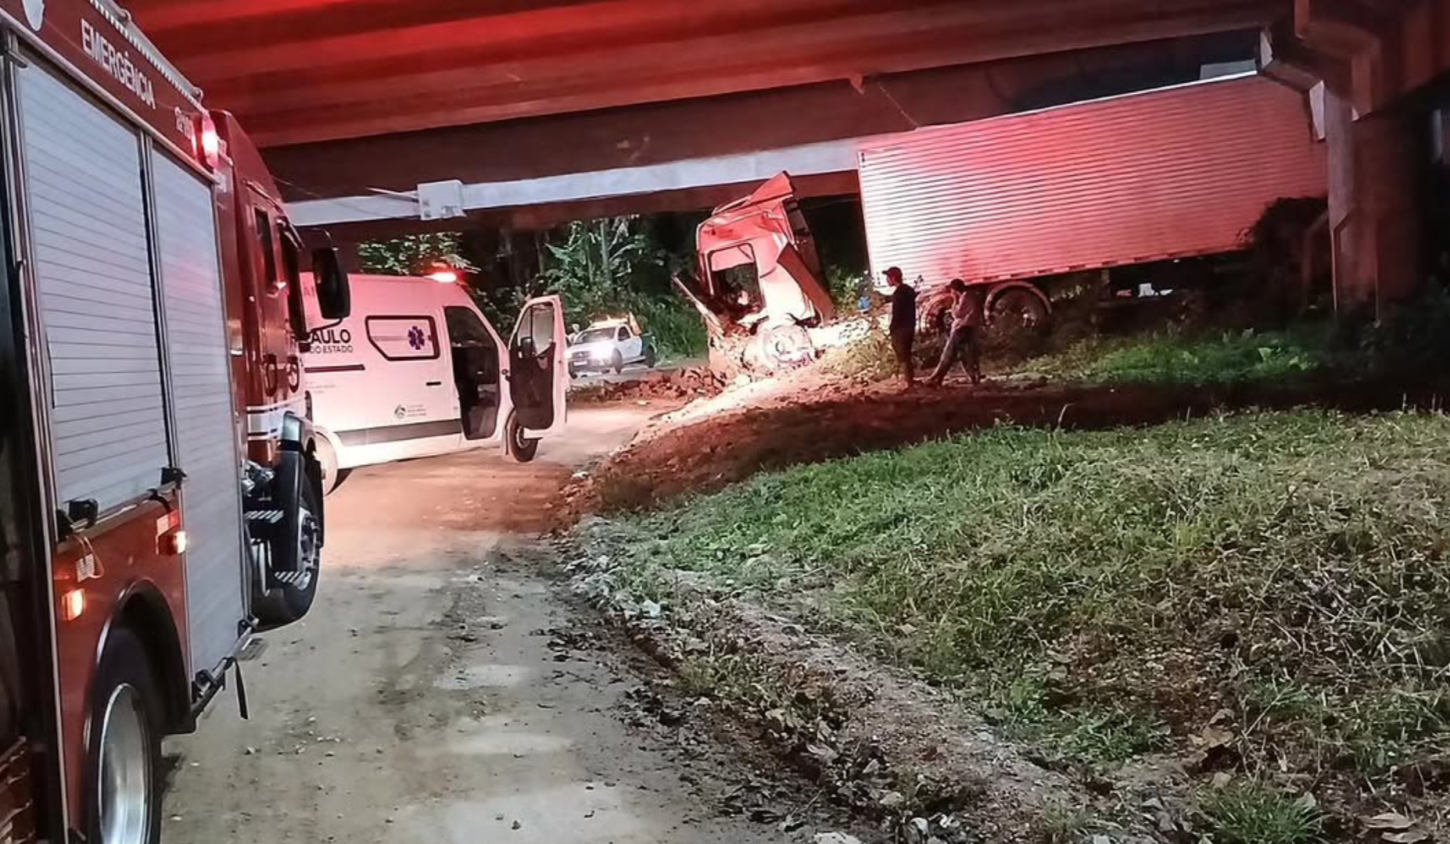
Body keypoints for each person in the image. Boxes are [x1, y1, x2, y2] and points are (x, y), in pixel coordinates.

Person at [929, 279, 984, 387]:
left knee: (949, 353)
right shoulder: (970, 296)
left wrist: (954, 300)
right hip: (969, 327)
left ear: (955, 289)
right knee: (967, 354)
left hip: (962, 328)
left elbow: (957, 313)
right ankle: (973, 377)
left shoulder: (965, 297)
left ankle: (936, 377)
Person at [884, 266, 917, 387]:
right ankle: (910, 381)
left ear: (893, 278)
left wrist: (892, 328)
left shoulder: (898, 294)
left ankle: (910, 383)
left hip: (900, 329)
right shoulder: (908, 290)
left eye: (888, 277)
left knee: (903, 356)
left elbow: (897, 314)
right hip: (910, 326)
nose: (887, 280)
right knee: (907, 354)